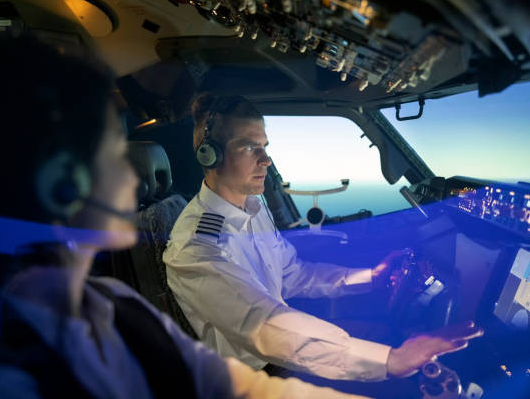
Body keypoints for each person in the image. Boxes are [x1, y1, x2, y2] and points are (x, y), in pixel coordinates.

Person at [0, 36, 374, 399]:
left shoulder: (107, 302)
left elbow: (221, 379)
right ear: (62, 183)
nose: (134, 176)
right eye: (115, 151)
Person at [163, 93, 483, 382]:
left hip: (281, 355)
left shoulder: (253, 206)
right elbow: (264, 324)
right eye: (249, 147)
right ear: (210, 155)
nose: (266, 160)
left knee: (396, 333)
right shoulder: (196, 246)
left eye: (265, 147)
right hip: (256, 378)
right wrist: (391, 360)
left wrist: (368, 277)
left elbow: (292, 274)